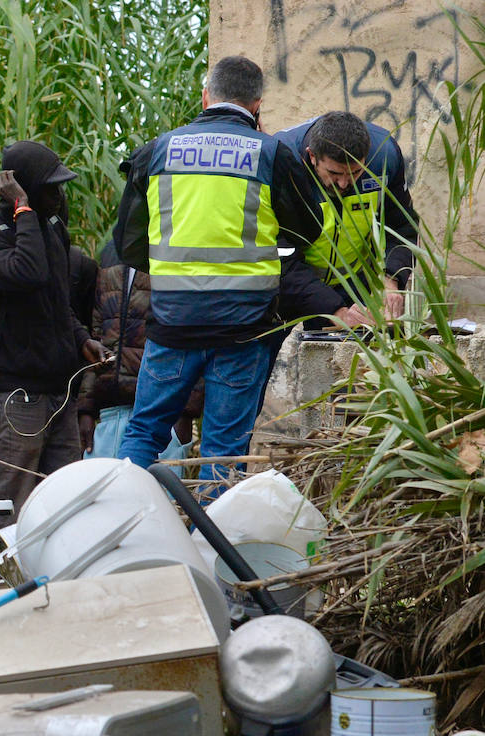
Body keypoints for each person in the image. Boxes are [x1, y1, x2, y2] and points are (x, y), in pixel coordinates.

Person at [114, 56, 322, 489]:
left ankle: (122, 517)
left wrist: (174, 273)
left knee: (144, 431)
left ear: (207, 96)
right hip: (243, 328)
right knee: (224, 450)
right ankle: (210, 532)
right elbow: (308, 229)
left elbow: (129, 244)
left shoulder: (158, 150)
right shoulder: (271, 154)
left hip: (173, 321)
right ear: (258, 104)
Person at [0, 140, 104, 519]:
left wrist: (82, 339)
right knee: (15, 497)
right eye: (51, 188)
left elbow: (58, 301)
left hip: (59, 390)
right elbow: (27, 273)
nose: (59, 197)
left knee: (66, 495)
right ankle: (7, 556)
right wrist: (23, 208)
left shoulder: (51, 227)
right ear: (24, 188)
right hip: (19, 391)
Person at [274, 111, 419, 327]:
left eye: (355, 172)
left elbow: (402, 227)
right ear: (312, 156)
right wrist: (336, 312)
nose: (343, 184)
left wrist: (391, 278)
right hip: (292, 293)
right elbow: (278, 255)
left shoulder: (384, 157)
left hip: (354, 291)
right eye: (334, 173)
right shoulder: (281, 162)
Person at [77, 241, 198, 461]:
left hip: (161, 412)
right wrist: (86, 408)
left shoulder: (178, 244)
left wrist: (186, 412)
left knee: (156, 484)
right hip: (109, 416)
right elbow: (98, 335)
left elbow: (198, 332)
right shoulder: (113, 249)